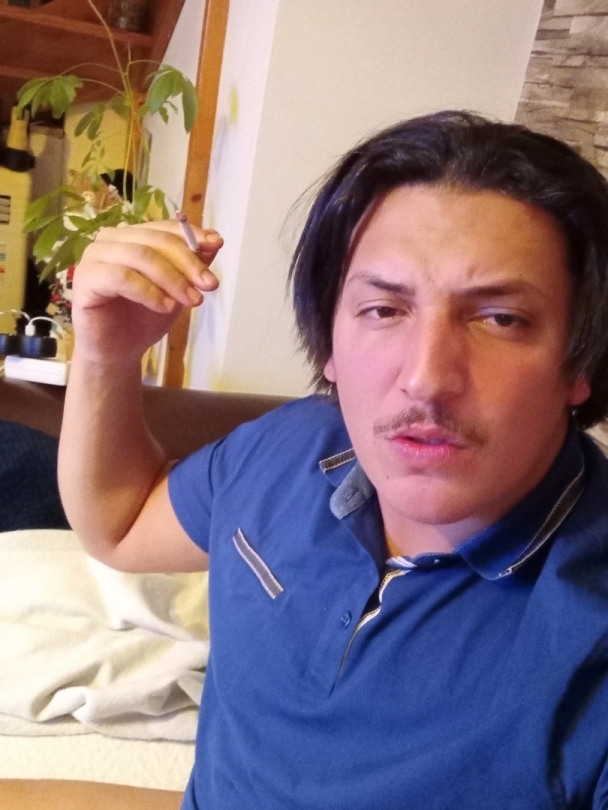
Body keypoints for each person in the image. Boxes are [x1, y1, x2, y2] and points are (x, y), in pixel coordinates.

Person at [58, 110, 608, 810]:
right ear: (329, 343)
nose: (426, 378)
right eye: (384, 310)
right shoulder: (287, 448)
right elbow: (121, 522)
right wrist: (107, 353)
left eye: (500, 318)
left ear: (579, 361)